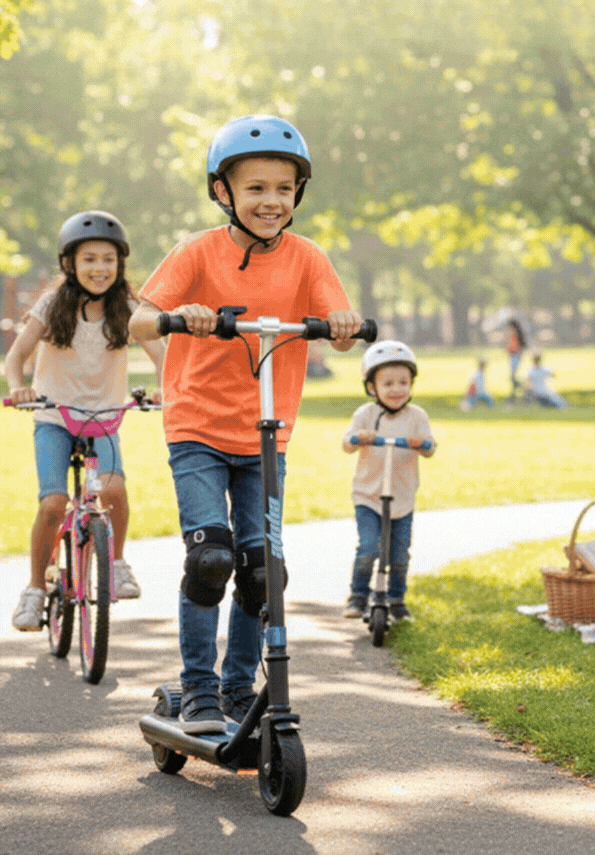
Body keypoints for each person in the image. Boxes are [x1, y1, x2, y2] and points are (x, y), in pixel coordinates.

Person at [128, 115, 362, 733]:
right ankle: (199, 688)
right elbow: (139, 321)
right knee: (211, 559)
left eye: (284, 188)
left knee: (263, 572)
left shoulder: (308, 258)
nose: (271, 201)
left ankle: (237, 688)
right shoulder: (196, 251)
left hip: (266, 432)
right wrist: (182, 313)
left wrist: (342, 324)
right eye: (255, 188)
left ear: (298, 193)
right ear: (222, 191)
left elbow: (341, 329)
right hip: (197, 427)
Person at [7, 211, 165, 632]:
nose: (100, 268)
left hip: (104, 419)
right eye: (90, 259)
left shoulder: (128, 308)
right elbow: (16, 356)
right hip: (54, 417)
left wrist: (164, 387)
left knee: (113, 490)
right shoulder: (52, 304)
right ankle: (35, 587)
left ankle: (118, 563)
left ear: (120, 264)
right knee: (53, 503)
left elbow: (162, 354)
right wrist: (19, 387)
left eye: (109, 260)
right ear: (70, 264)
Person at [343, 340, 435, 620]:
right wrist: (360, 437)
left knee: (399, 555)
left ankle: (396, 599)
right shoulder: (366, 414)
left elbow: (430, 447)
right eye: (388, 383)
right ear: (372, 387)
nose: (397, 389)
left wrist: (421, 443)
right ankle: (358, 595)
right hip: (368, 496)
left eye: (403, 382)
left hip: (402, 498)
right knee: (368, 549)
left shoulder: (417, 416)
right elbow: (347, 443)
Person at [506, 318, 526, 398]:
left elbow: (519, 345)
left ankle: (522, 388)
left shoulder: (516, 334)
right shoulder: (512, 333)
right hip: (512, 355)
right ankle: (514, 392)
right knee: (512, 376)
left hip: (515, 355)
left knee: (513, 376)